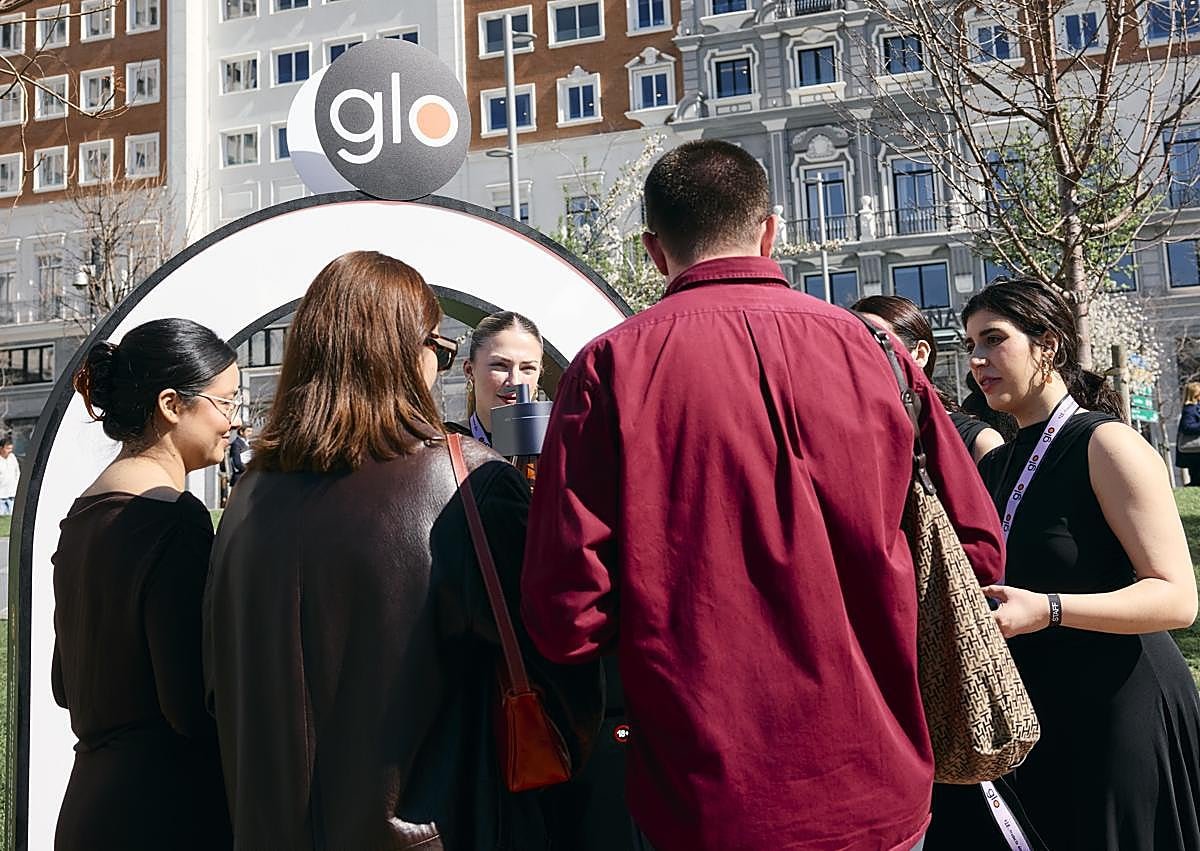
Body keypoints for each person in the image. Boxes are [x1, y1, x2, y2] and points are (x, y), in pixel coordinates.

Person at [521, 139, 1005, 851]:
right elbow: (979, 553)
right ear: (770, 229)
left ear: (654, 251)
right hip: (880, 778)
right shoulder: (877, 353)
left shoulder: (610, 366)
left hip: (706, 792)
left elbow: (568, 614)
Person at [203, 250, 601, 851]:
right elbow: (562, 671)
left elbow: (215, 688)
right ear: (406, 353)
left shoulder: (249, 496)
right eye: (438, 352)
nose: (437, 371)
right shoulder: (469, 484)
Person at [929, 277, 1200, 851]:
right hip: (1039, 712)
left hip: (1119, 707)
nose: (976, 360)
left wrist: (1049, 609)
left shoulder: (1107, 445)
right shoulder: (998, 462)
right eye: (970, 344)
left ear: (1046, 344)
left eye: (993, 340)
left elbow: (1177, 598)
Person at [51, 318, 236, 850]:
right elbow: (189, 705)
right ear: (172, 404)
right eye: (226, 402)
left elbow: (65, 685)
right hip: (165, 809)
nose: (234, 422)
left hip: (89, 803)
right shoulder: (172, 519)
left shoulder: (83, 511)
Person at [854, 294, 1005, 463]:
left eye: (875, 345)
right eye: (851, 349)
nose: (860, 360)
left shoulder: (976, 442)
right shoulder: (849, 441)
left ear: (920, 354)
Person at [448, 310, 543, 447]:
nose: (514, 381)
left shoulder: (560, 448)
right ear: (469, 370)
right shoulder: (441, 449)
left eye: (527, 368)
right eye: (500, 365)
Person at [1176, 381, 1200, 485]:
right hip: (1194, 451)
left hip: (1195, 451)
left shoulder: (1195, 408)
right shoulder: (1190, 409)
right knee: (1196, 478)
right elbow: (1187, 427)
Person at [0, 436, 19, 514]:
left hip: (12, 495)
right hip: (1, 496)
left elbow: (17, 473)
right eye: (8, 449)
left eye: (11, 449)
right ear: (1, 448)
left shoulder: (12, 457)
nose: (10, 451)